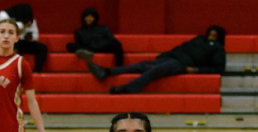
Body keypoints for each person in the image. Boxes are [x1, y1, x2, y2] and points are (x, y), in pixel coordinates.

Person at [82, 26, 226, 94]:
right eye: (209, 34)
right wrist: (164, 55)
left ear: (218, 38)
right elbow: (181, 47)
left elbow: (218, 68)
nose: (210, 37)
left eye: (213, 36)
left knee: (153, 70)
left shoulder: (218, 49)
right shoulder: (198, 39)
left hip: (182, 64)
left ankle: (128, 88)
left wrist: (197, 70)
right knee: (142, 65)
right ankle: (106, 71)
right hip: (172, 57)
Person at [0, 4, 47, 72]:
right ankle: (13, 71)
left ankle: (37, 72)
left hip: (22, 42)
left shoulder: (29, 19)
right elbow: (8, 31)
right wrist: (23, 25)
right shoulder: (4, 15)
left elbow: (35, 35)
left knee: (42, 48)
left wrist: (31, 37)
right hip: (7, 44)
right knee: (14, 44)